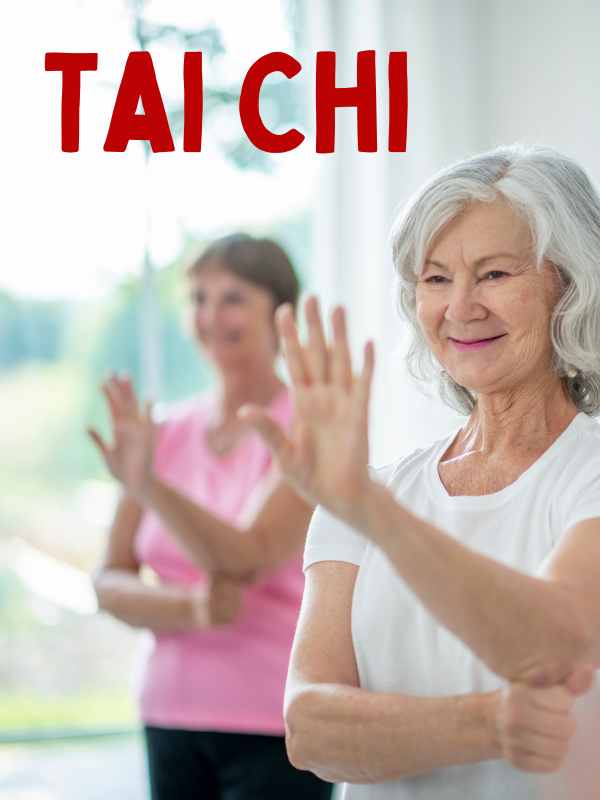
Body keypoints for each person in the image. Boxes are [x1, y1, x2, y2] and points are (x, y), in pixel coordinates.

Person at [237, 145, 600, 799]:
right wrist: (487, 724)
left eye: (493, 274)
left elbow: (554, 641)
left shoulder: (586, 470)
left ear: (570, 283)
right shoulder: (370, 490)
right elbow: (312, 730)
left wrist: (371, 511)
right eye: (434, 279)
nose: (459, 307)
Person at [91, 234, 333, 800]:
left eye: (232, 298)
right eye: (198, 297)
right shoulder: (164, 431)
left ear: (280, 314)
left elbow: (245, 555)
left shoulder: (309, 427)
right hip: (168, 711)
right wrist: (192, 608)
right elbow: (107, 581)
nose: (210, 314)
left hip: (276, 719)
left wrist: (147, 484)